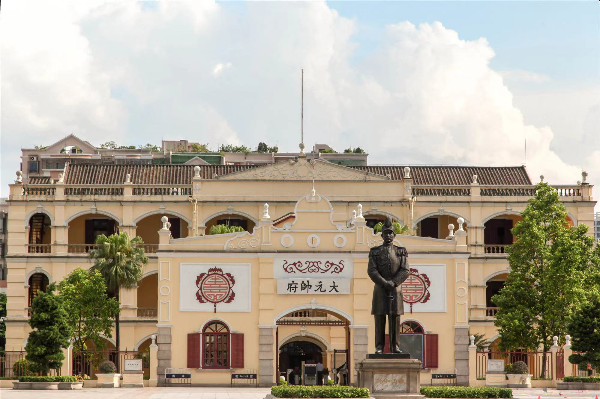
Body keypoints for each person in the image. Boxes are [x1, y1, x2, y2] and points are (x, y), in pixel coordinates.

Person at [368, 217, 410, 354]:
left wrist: (394, 282)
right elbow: (372, 270)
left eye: (390, 233)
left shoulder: (400, 251)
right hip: (380, 289)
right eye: (385, 233)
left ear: (394, 235)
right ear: (382, 235)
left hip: (395, 289)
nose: (388, 236)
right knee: (380, 318)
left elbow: (405, 270)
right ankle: (379, 346)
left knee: (395, 318)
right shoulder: (375, 252)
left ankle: (395, 346)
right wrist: (384, 282)